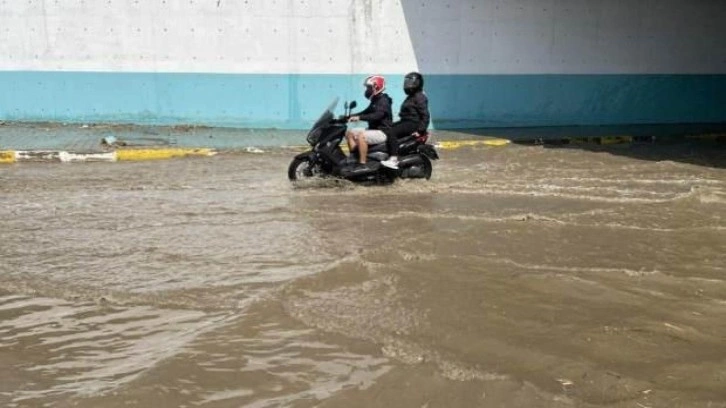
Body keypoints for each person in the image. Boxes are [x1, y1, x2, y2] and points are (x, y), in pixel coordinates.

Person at [381, 72, 430, 169]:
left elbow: (425, 115)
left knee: (391, 132)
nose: (408, 85)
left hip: (413, 123)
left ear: (418, 83)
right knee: (385, 128)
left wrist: (420, 130)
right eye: (407, 82)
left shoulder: (419, 97)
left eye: (411, 83)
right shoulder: (412, 96)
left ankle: (393, 159)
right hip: (406, 121)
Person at [345, 75, 393, 168]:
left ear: (376, 87)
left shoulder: (384, 101)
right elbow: (366, 112)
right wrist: (350, 116)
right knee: (350, 133)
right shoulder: (375, 100)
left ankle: (362, 164)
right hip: (373, 129)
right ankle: (354, 157)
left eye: (369, 87)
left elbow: (377, 116)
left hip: (383, 131)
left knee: (361, 136)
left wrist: (359, 118)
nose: (367, 90)